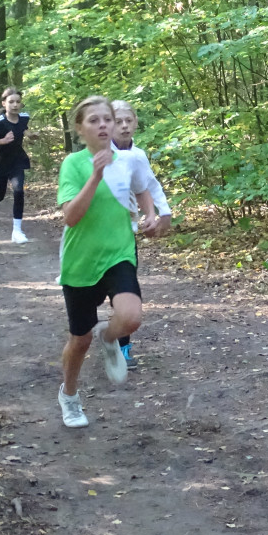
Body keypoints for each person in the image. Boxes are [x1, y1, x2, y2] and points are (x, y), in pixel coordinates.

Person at [56, 96, 145, 428]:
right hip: (81, 262)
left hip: (119, 252)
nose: (104, 125)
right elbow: (71, 217)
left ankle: (110, 339)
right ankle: (69, 395)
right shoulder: (73, 164)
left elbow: (144, 189)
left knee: (131, 317)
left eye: (107, 118)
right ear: (80, 129)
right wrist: (95, 175)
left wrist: (153, 218)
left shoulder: (129, 160)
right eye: (93, 120)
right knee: (80, 340)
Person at [110, 100, 172, 368]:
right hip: (92, 238)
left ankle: (123, 348)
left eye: (128, 121)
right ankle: (90, 338)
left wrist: (161, 214)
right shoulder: (93, 155)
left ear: (136, 122)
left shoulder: (138, 155)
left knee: (126, 293)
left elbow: (147, 185)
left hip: (124, 236)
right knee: (90, 295)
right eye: (118, 121)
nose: (124, 126)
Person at [0, 87, 34, 244]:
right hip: (2, 163)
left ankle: (17, 231)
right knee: (0, 195)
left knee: (19, 191)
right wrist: (2, 141)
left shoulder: (24, 118)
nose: (15, 105)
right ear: (4, 104)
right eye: (11, 102)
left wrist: (30, 135)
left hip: (17, 161)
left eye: (18, 102)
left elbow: (24, 129)